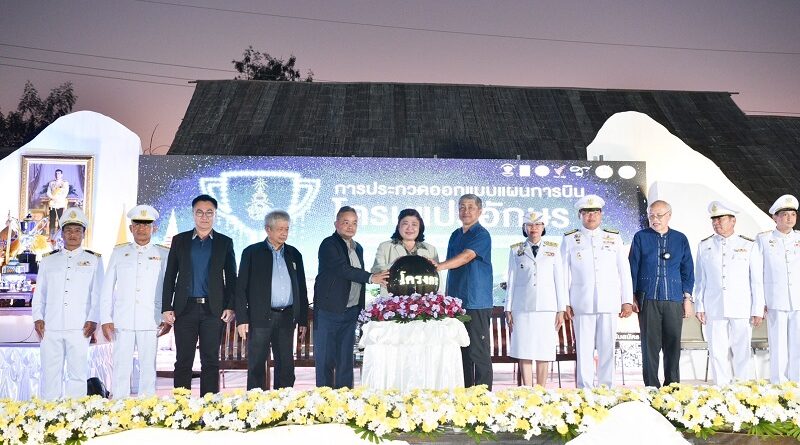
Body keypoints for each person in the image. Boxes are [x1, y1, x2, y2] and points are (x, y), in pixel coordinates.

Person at [161, 194, 237, 395]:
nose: (204, 217)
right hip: (185, 309)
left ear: (215, 215)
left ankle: (209, 405)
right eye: (200, 212)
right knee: (183, 360)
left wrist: (230, 306)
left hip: (213, 310)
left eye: (209, 213)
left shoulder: (225, 242)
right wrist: (166, 307)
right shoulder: (180, 240)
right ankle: (181, 405)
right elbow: (170, 275)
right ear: (193, 214)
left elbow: (232, 278)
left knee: (210, 360)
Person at [99, 205, 171, 398]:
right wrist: (106, 318)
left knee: (148, 368)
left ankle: (146, 407)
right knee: (121, 367)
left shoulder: (163, 254)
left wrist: (167, 316)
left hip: (151, 318)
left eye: (146, 225)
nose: (141, 229)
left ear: (154, 228)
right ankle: (119, 405)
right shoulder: (119, 252)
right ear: (131, 228)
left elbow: (169, 288)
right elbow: (107, 287)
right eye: (137, 225)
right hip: (123, 319)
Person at [561, 194, 633, 388]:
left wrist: (626, 300)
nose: (590, 216)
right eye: (586, 212)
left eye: (594, 212)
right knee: (583, 349)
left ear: (601, 214)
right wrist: (564, 302)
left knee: (607, 349)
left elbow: (624, 271)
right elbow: (563, 273)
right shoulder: (570, 239)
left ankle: (606, 389)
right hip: (581, 303)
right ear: (580, 215)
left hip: (609, 302)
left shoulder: (614, 237)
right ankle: (584, 389)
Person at [32, 207, 103, 400]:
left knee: (77, 375)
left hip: (80, 326)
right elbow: (40, 292)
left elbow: (98, 293)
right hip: (51, 326)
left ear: (83, 234)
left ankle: (75, 413)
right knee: (50, 373)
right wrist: (37, 317)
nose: (73, 235)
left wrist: (93, 319)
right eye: (69, 230)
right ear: (62, 234)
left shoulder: (94, 260)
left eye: (77, 230)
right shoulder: (48, 260)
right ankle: (49, 412)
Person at [314, 206, 388, 388]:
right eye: (345, 222)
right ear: (336, 224)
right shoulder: (328, 244)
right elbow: (342, 269)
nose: (350, 227)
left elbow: (356, 278)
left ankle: (345, 398)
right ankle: (323, 399)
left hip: (350, 311)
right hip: (329, 311)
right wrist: (371, 277)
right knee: (325, 360)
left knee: (346, 360)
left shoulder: (358, 248)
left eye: (354, 223)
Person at [235, 210, 309, 390]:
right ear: (268, 229)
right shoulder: (252, 252)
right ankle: (255, 402)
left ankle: (283, 402)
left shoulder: (294, 254)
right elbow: (240, 288)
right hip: (260, 317)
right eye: (280, 229)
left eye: (287, 229)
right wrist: (242, 319)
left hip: (287, 316)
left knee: (286, 365)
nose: (284, 233)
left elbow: (301, 288)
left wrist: (302, 319)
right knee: (257, 364)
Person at [694, 201, 764, 385]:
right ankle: (721, 387)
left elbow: (756, 280)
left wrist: (757, 308)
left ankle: (742, 386)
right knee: (717, 350)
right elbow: (700, 280)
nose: (716, 223)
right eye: (714, 220)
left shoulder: (749, 245)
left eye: (721, 219)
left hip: (742, 305)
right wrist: (699, 305)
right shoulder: (705, 245)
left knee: (741, 350)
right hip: (714, 305)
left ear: (733, 221)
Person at [629, 200, 694, 387]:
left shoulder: (680, 238)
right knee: (649, 346)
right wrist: (631, 295)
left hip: (673, 299)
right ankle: (651, 387)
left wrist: (687, 298)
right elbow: (632, 268)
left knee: (673, 345)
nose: (655, 219)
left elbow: (687, 270)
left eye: (659, 215)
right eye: (651, 216)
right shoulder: (640, 237)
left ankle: (672, 387)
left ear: (669, 216)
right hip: (648, 299)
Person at [437, 194, 494, 389]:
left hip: (476, 302)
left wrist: (438, 266)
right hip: (456, 304)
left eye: (470, 207)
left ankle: (483, 396)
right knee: (460, 352)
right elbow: (452, 269)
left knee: (478, 352)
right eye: (462, 207)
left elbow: (466, 257)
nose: (466, 211)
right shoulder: (455, 234)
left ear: (480, 211)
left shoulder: (481, 234)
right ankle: (465, 394)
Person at [505, 211, 566, 386]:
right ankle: (527, 389)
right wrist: (508, 308)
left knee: (544, 350)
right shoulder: (516, 249)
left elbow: (559, 281)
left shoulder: (553, 249)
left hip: (547, 307)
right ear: (524, 228)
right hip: (521, 307)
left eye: (538, 224)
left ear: (543, 227)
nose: (534, 228)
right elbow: (511, 280)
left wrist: (561, 309)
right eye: (530, 225)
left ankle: (541, 390)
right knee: (523, 349)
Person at [755, 194, 800, 383]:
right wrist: (760, 303)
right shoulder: (764, 240)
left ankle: (797, 383)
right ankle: (779, 384)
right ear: (775, 217)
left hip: (798, 300)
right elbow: (757, 273)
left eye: (793, 214)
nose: (790, 218)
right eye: (785, 214)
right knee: (778, 345)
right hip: (775, 300)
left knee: (798, 344)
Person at [371, 208, 440, 295]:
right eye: (405, 224)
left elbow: (437, 278)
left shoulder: (431, 249)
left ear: (420, 227)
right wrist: (393, 264)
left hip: (424, 300)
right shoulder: (385, 246)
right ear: (398, 226)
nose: (410, 228)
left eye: (414, 224)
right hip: (392, 299)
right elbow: (375, 271)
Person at [46, 169, 70, 235]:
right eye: (56, 173)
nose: (57, 175)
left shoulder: (65, 183)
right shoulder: (51, 183)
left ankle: (59, 235)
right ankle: (51, 235)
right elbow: (48, 192)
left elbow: (65, 193)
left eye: (59, 173)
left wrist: (58, 199)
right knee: (52, 219)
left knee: (60, 219)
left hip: (60, 203)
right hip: (53, 203)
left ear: (62, 175)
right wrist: (53, 198)